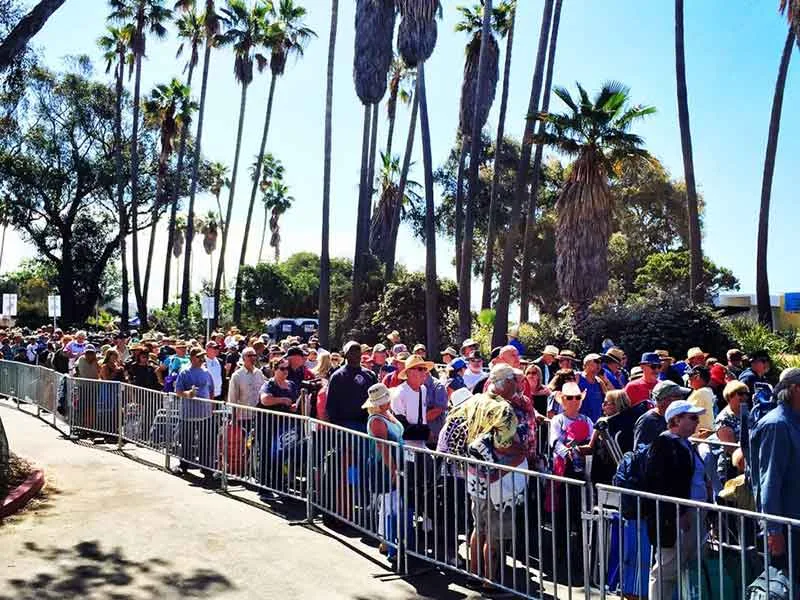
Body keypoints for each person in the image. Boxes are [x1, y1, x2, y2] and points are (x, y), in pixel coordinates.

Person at [645, 400, 708, 600]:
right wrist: (677, 513)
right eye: (692, 418)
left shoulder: (686, 444)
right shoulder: (664, 445)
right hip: (677, 518)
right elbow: (661, 483)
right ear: (676, 420)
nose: (697, 422)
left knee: (688, 565)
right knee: (666, 569)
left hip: (694, 513)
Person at [750, 367, 800, 582]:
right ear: (796, 389)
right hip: (789, 528)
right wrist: (773, 530)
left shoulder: (794, 421)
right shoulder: (777, 425)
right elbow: (769, 481)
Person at [364, 383, 405, 561]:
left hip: (395, 463)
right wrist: (394, 469)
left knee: (393, 503)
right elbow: (383, 448)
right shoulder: (376, 421)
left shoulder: (387, 414)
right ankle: (388, 542)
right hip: (384, 466)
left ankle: (386, 540)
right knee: (389, 504)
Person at [174, 347, 215, 480]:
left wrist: (212, 407)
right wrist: (189, 394)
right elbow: (178, 391)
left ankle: (206, 468)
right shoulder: (184, 372)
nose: (202, 359)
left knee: (206, 441)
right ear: (192, 358)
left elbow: (211, 391)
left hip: (205, 414)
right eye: (199, 356)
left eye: (203, 356)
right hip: (188, 414)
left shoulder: (207, 372)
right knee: (186, 440)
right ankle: (184, 465)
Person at [326, 341, 377, 432]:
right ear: (345, 354)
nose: (356, 354)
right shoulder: (337, 376)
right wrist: (336, 427)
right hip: (346, 426)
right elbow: (331, 404)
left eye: (358, 350)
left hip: (368, 423)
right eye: (352, 351)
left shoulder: (370, 375)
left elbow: (376, 399)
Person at [633, 380, 691, 448]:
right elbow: (641, 453)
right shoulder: (647, 422)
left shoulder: (672, 417)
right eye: (678, 396)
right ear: (664, 400)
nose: (682, 399)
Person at [715, 380, 748, 482]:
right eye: (740, 394)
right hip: (731, 467)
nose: (744, 397)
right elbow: (731, 448)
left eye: (746, 394)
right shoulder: (724, 418)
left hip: (746, 463)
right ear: (730, 396)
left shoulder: (746, 412)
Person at [227, 346, 266, 426]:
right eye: (249, 356)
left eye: (254, 355)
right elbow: (233, 399)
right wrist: (233, 419)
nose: (253, 358)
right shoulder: (237, 376)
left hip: (257, 416)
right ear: (243, 358)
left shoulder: (259, 373)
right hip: (243, 417)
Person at [578, 353, 607, 422]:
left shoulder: (599, 382)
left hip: (596, 423)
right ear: (586, 364)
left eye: (600, 362)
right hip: (580, 422)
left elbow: (607, 399)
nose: (599, 365)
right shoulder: (578, 377)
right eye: (596, 361)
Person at [686, 365, 715, 433]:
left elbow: (688, 414)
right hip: (701, 434)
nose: (688, 379)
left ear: (697, 376)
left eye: (690, 375)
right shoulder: (705, 390)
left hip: (699, 436)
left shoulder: (701, 392)